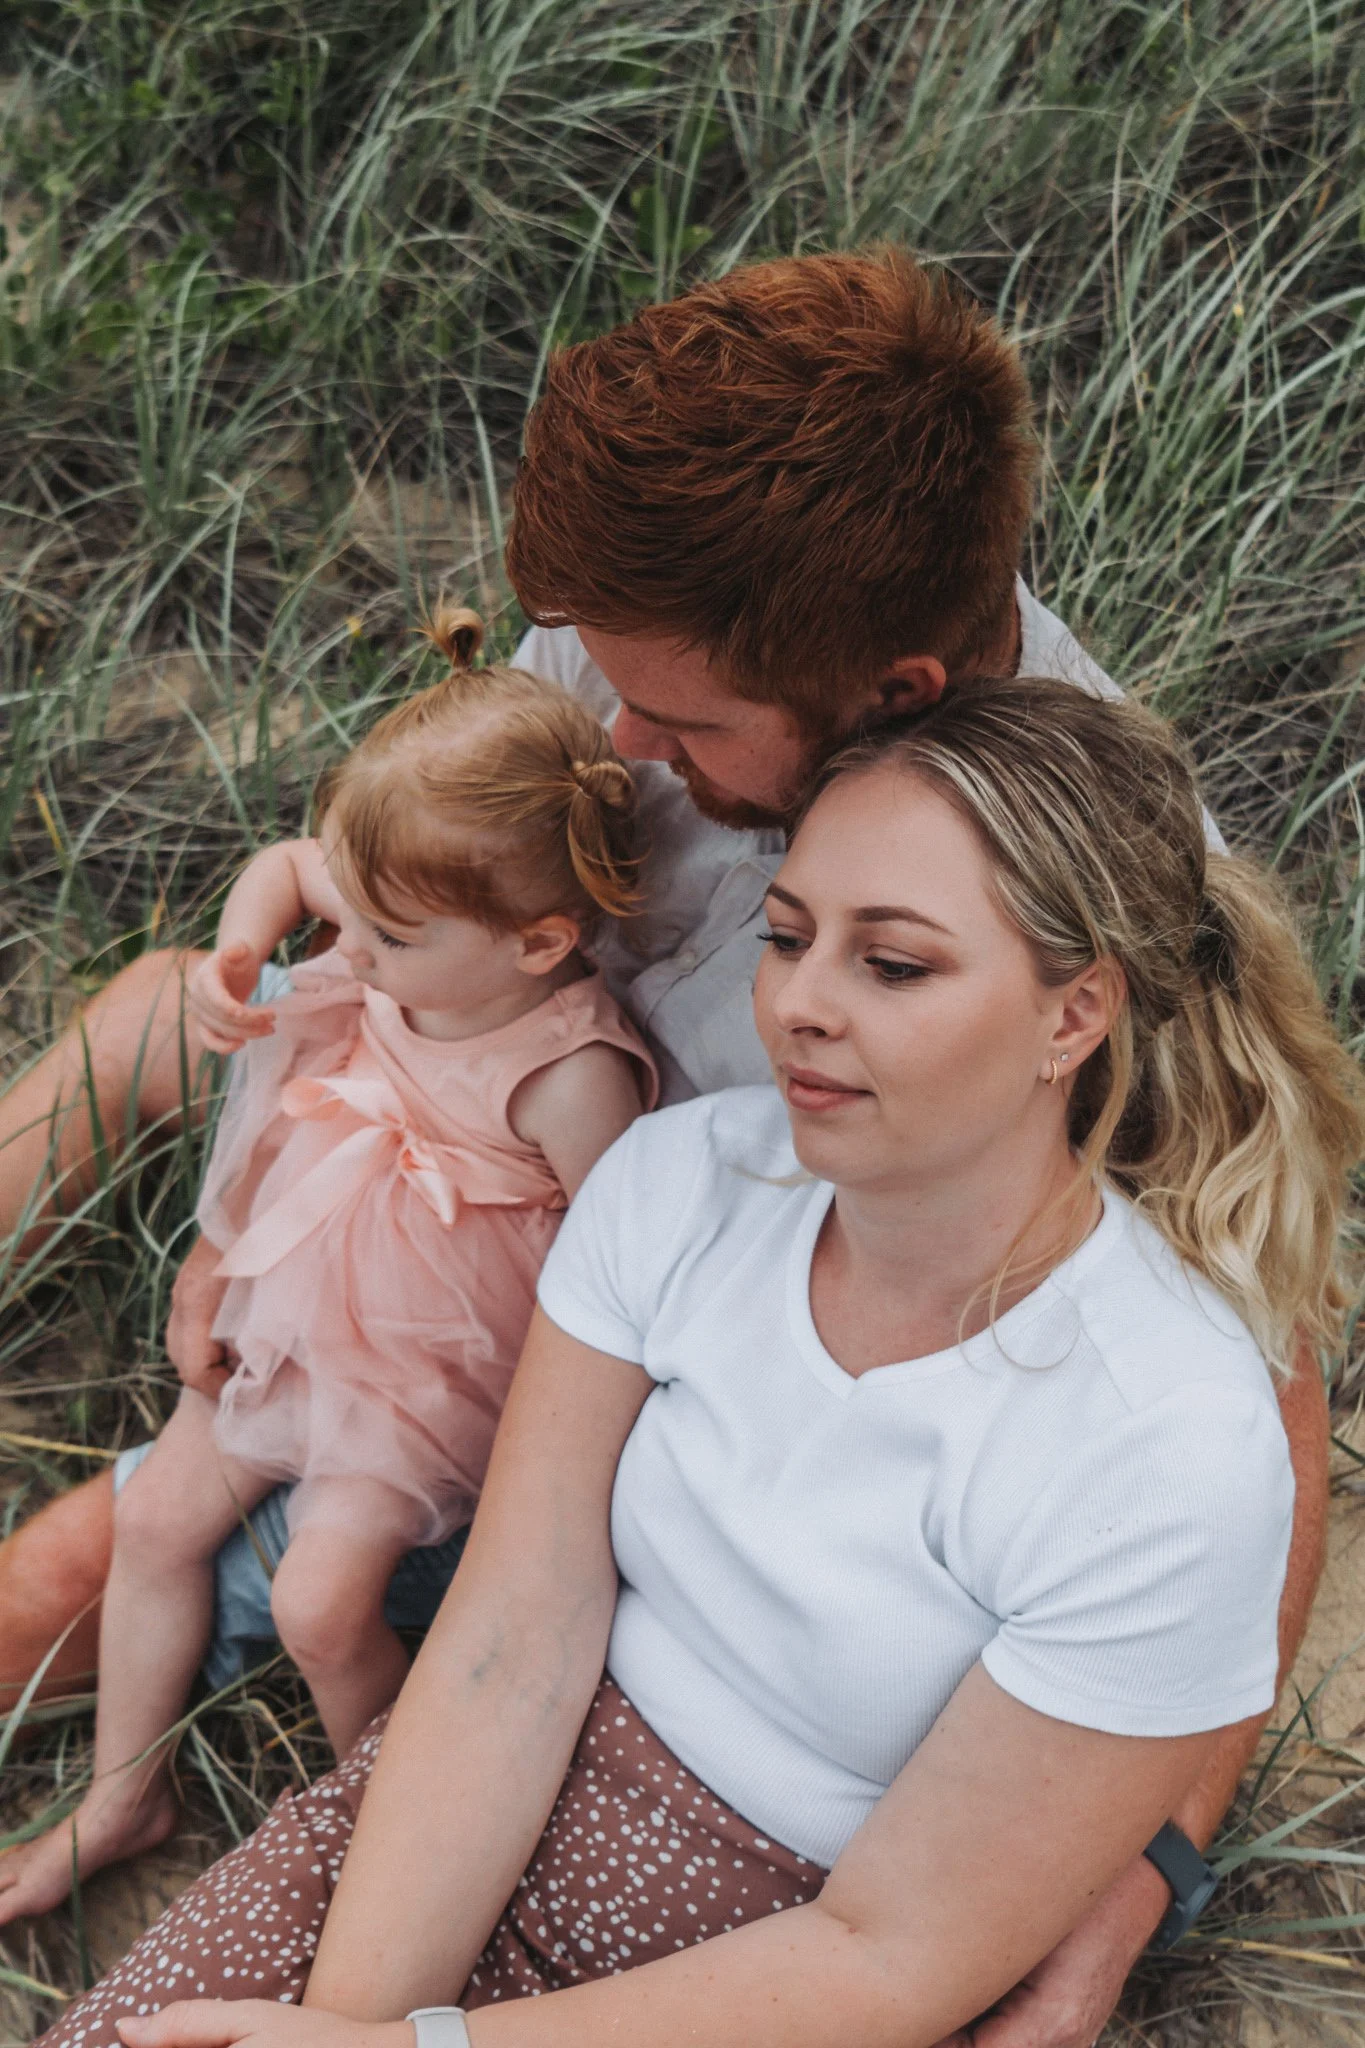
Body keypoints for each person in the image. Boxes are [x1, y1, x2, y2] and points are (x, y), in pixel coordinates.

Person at [0, 249, 1334, 2045]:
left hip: (578, 1387)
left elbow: (1265, 1405)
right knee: (174, 1004)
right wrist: (263, 1212)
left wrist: (1131, 1870)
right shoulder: (670, 622)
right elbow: (411, 917)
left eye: (681, 727)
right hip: (523, 1201)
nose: (614, 737)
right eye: (593, 673)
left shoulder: (1078, 910)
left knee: (80, 1574)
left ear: (896, 688)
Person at [0, 617, 655, 1926]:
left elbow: (626, 1272)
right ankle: (128, 1791)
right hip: (298, 1281)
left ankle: (391, 1818)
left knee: (319, 1601)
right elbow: (293, 870)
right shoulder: (403, 910)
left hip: (432, 1365)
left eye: (391, 941)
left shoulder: (571, 1075)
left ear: (537, 943)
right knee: (160, 1520)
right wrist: (242, 953)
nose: (348, 956)